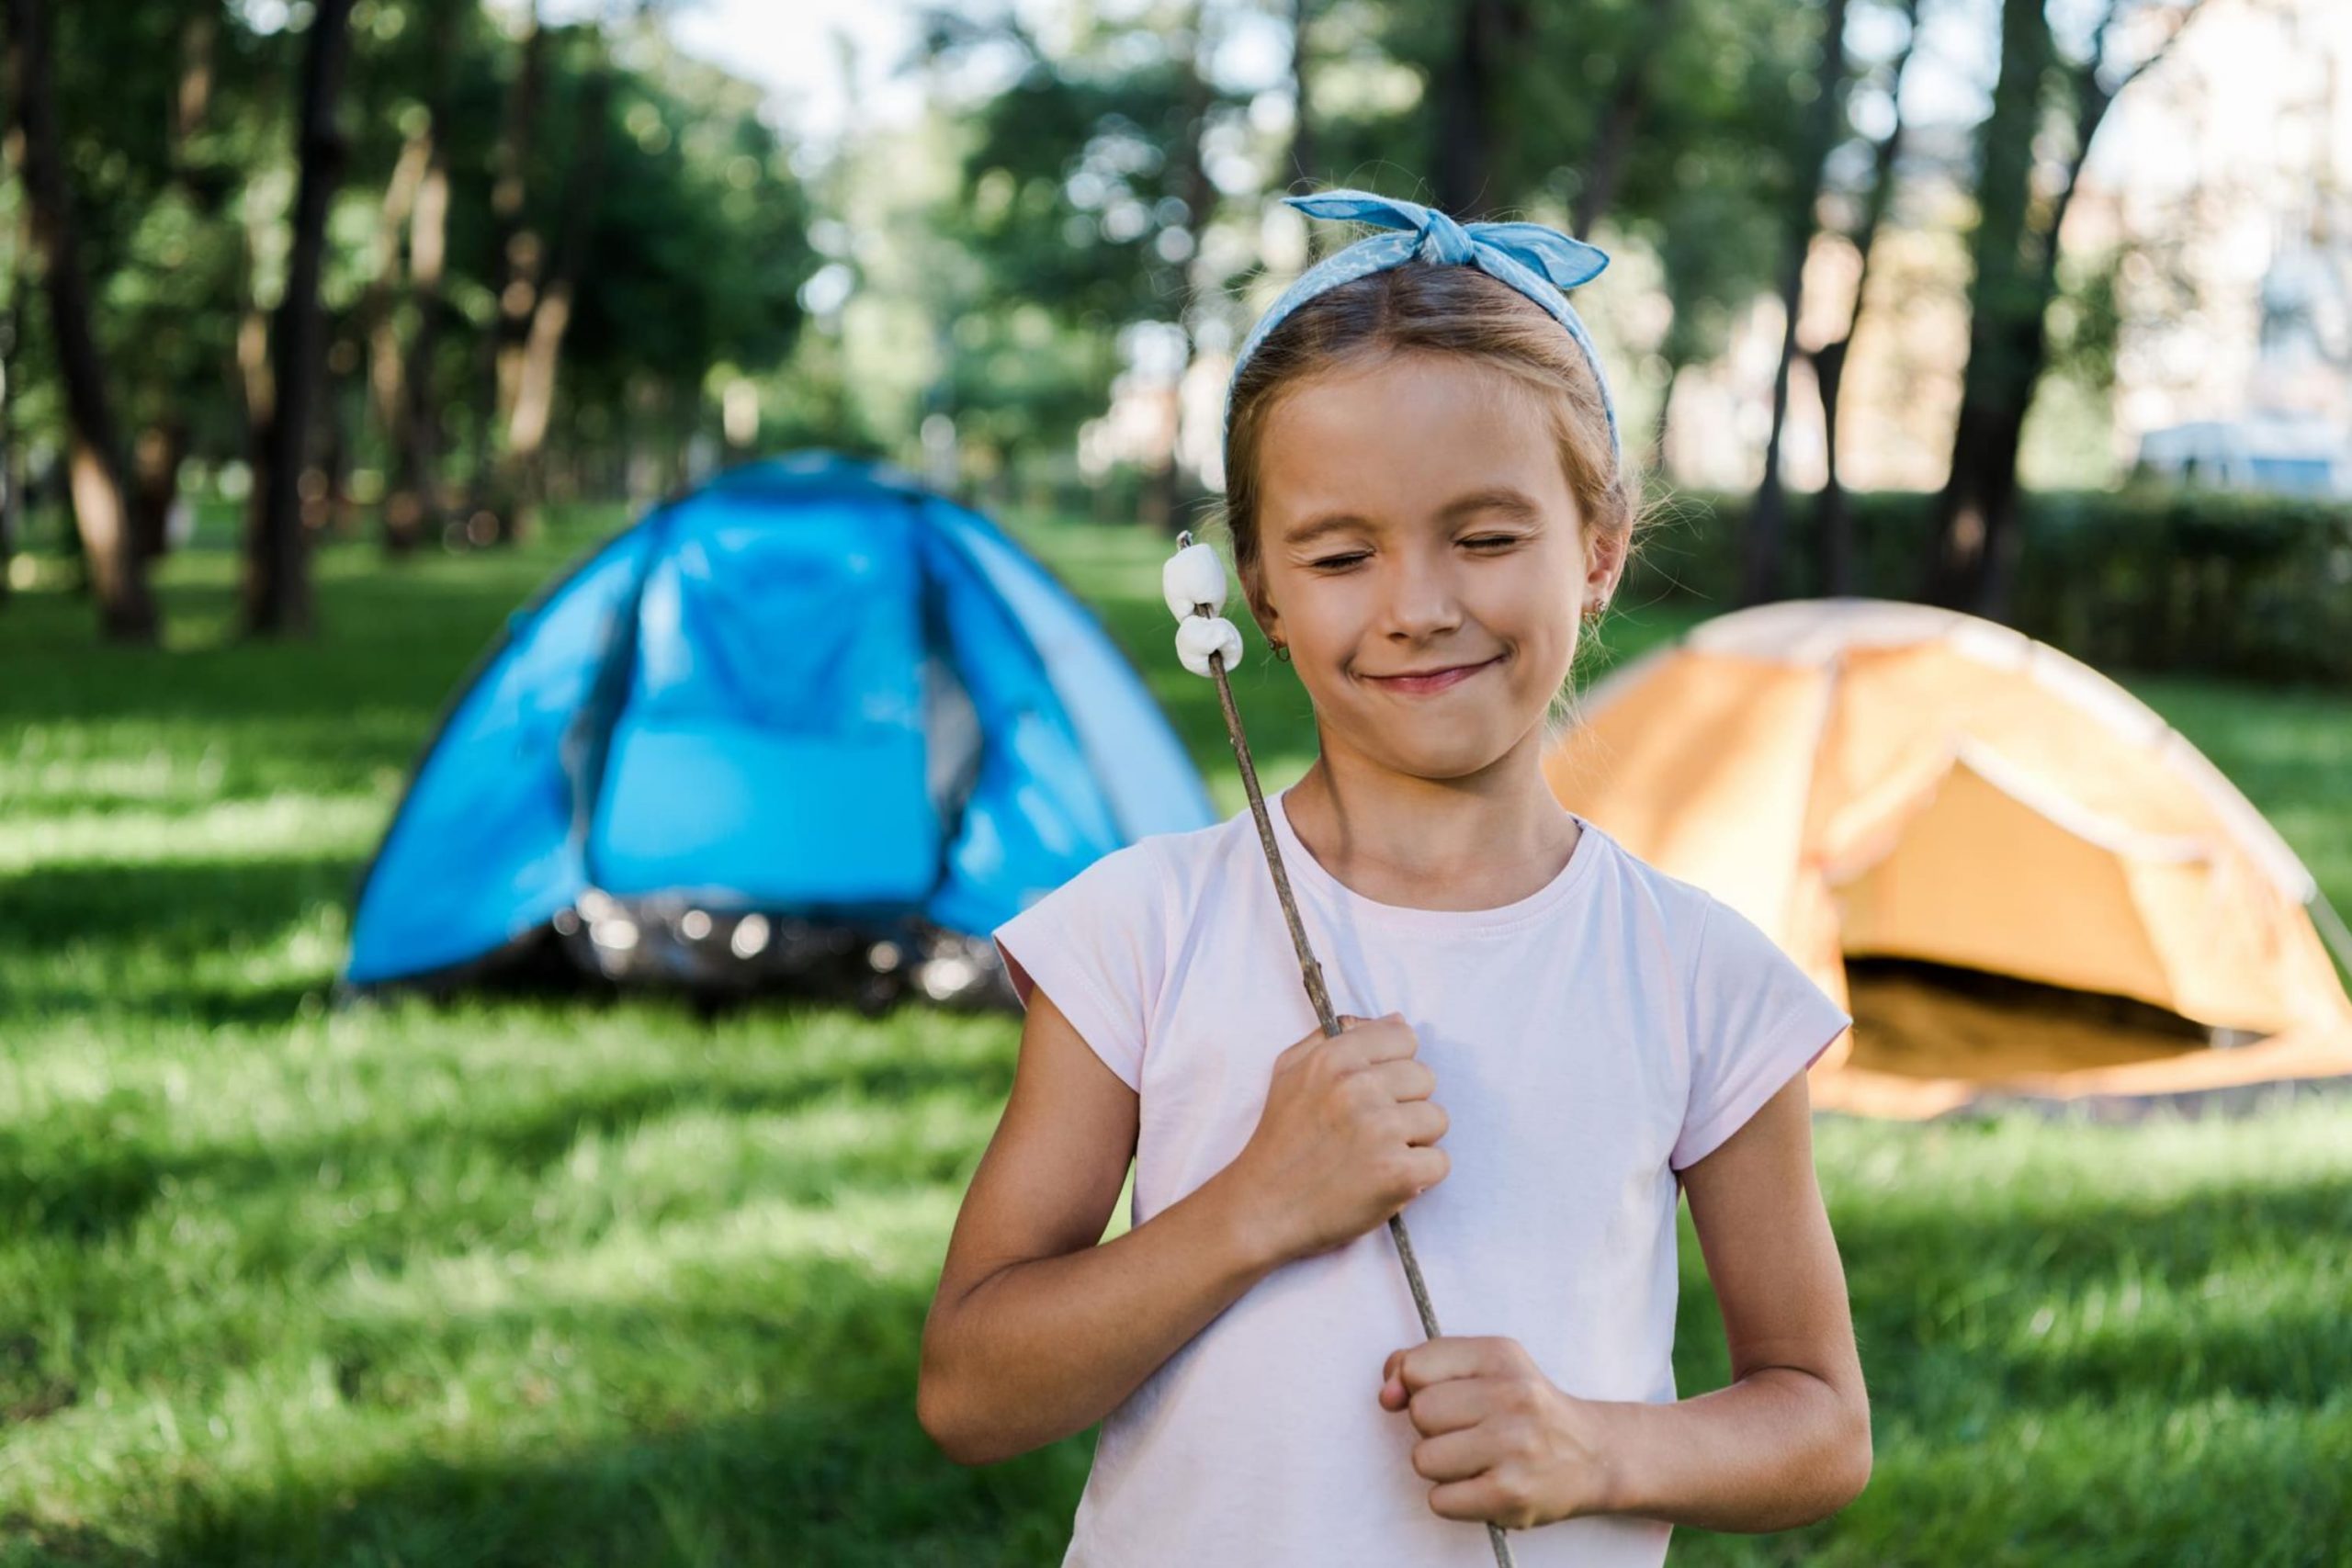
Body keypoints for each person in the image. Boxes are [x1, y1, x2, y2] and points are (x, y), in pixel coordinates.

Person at [917, 188, 1871, 1565]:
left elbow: (1821, 1424)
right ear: (1258, 590)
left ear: (1598, 550)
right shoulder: (1140, 933)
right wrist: (1255, 1205)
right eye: (1342, 554)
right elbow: (970, 1391)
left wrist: (1599, 1445)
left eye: (1485, 538)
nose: (1419, 605)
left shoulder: (1702, 978)